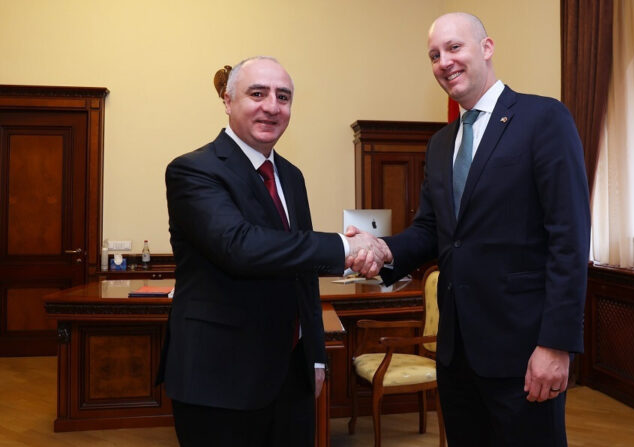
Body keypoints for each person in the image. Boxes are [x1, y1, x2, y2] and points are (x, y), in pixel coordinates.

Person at [353, 12, 591, 446]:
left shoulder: (543, 118)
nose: (444, 61)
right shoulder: (441, 143)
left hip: (524, 352)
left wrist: (556, 345)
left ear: (487, 47)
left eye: (454, 47)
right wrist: (384, 250)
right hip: (456, 355)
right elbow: (431, 230)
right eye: (434, 55)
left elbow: (569, 239)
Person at [157, 56, 388, 447]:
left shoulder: (291, 176)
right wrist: (346, 245)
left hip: (291, 376)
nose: (272, 106)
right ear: (228, 101)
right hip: (220, 380)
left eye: (283, 97)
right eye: (257, 93)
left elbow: (302, 271)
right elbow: (240, 246)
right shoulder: (193, 170)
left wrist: (315, 357)